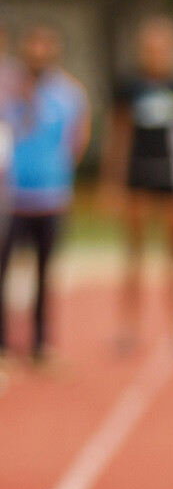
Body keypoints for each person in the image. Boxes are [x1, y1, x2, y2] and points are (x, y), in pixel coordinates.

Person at [105, 18, 173, 352]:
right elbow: (118, 135)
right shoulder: (129, 87)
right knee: (134, 256)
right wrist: (114, 181)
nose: (157, 54)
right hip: (138, 177)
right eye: (151, 48)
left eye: (163, 47)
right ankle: (129, 328)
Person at [0, 24, 90, 370]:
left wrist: (59, 170)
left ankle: (40, 343)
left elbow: (77, 139)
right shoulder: (8, 89)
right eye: (33, 44)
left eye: (45, 45)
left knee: (44, 272)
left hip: (51, 196)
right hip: (11, 196)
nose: (38, 51)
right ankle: (4, 345)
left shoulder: (70, 94)